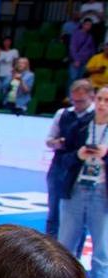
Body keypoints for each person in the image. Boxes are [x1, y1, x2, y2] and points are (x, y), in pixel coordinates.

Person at [57, 86, 108, 278]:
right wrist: (78, 155)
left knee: (101, 250)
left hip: (102, 194)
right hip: (76, 189)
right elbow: (62, 157)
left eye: (107, 100)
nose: (102, 104)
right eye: (99, 98)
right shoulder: (80, 125)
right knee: (64, 245)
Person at [46, 80, 95, 236]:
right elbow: (49, 141)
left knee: (79, 218)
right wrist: (57, 143)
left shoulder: (97, 118)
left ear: (91, 96)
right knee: (53, 212)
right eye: (74, 100)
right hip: (59, 166)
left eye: (81, 101)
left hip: (83, 170)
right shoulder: (62, 114)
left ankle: (74, 255)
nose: (77, 104)